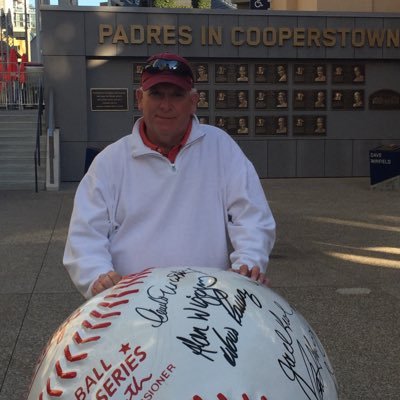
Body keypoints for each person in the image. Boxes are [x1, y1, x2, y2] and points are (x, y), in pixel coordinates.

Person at [63, 53, 276, 299]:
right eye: (156, 94)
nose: (166, 105)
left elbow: (252, 216)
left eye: (177, 95)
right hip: (131, 302)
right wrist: (98, 277)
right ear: (140, 99)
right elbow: (85, 234)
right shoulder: (110, 161)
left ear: (194, 101)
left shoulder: (221, 147)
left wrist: (247, 265)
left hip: (206, 300)